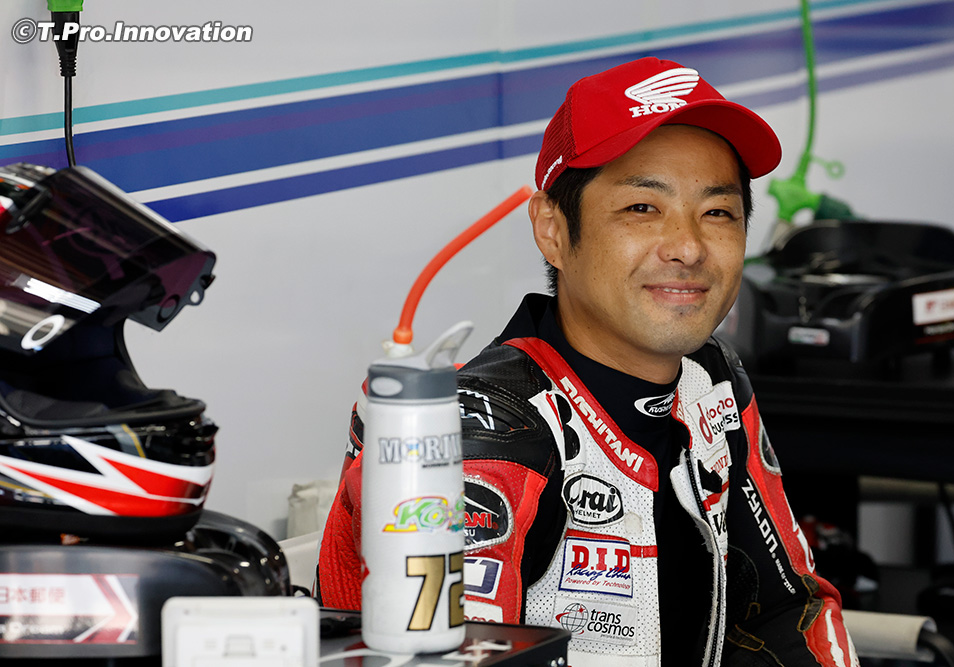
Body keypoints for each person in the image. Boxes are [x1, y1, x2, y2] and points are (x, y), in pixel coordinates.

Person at [318, 57, 858, 666]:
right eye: (641, 208)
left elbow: (786, 608)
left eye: (718, 213)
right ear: (552, 230)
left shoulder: (710, 375)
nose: (688, 247)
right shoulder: (483, 433)